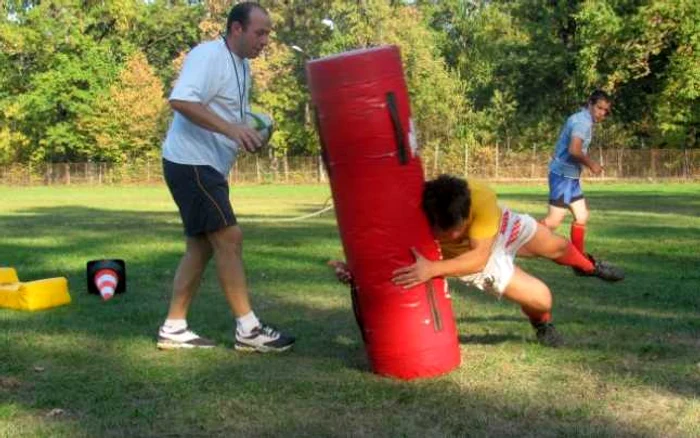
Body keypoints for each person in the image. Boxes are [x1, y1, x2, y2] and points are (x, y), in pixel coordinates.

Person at [330, 175, 623, 347]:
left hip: (491, 237)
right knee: (543, 298)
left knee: (558, 245)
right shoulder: (412, 213)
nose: (457, 233)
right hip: (470, 260)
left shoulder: (481, 197)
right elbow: (382, 241)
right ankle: (542, 325)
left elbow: (478, 253)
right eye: (448, 230)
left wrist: (432, 269)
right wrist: (354, 268)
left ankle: (588, 267)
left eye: (460, 225)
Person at [157, 2, 294, 352]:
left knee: (201, 247)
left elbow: (231, 116)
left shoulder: (242, 67)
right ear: (236, 28)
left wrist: (253, 130)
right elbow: (182, 100)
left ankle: (173, 327)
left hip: (208, 166)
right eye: (259, 32)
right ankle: (248, 330)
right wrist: (232, 129)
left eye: (268, 33)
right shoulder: (208, 55)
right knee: (229, 237)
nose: (265, 40)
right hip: (191, 163)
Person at [542, 90, 614, 262]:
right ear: (590, 103)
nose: (602, 113)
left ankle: (577, 259)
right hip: (562, 177)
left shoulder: (580, 118)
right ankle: (512, 238)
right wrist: (592, 165)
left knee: (582, 216)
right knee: (552, 222)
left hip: (571, 178)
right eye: (599, 108)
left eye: (605, 110)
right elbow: (574, 150)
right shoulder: (583, 122)